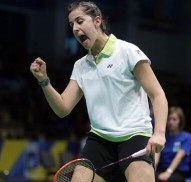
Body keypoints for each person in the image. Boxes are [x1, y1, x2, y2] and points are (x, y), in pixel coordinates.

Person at [30, 1, 168, 181]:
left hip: (135, 135)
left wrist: (159, 133)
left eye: (80, 21)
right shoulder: (81, 66)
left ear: (97, 20)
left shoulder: (128, 52)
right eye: (72, 25)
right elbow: (63, 108)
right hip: (100, 139)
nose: (75, 29)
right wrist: (44, 81)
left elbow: (158, 95)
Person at [155, 106, 191, 182]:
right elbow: (156, 156)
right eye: (169, 119)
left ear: (180, 121)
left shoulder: (186, 137)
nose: (171, 122)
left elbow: (178, 157)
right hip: (161, 169)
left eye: (174, 119)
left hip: (178, 171)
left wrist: (168, 172)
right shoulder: (162, 136)